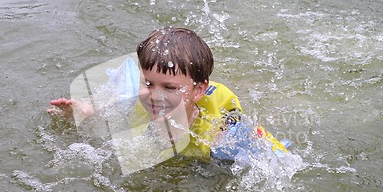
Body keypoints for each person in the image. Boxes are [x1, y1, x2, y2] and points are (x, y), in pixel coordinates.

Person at [48, 26, 287, 162]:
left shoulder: (219, 130)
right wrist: (84, 110)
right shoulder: (136, 88)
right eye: (149, 83)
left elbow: (278, 156)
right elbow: (113, 94)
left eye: (170, 88)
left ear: (198, 90)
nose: (154, 96)